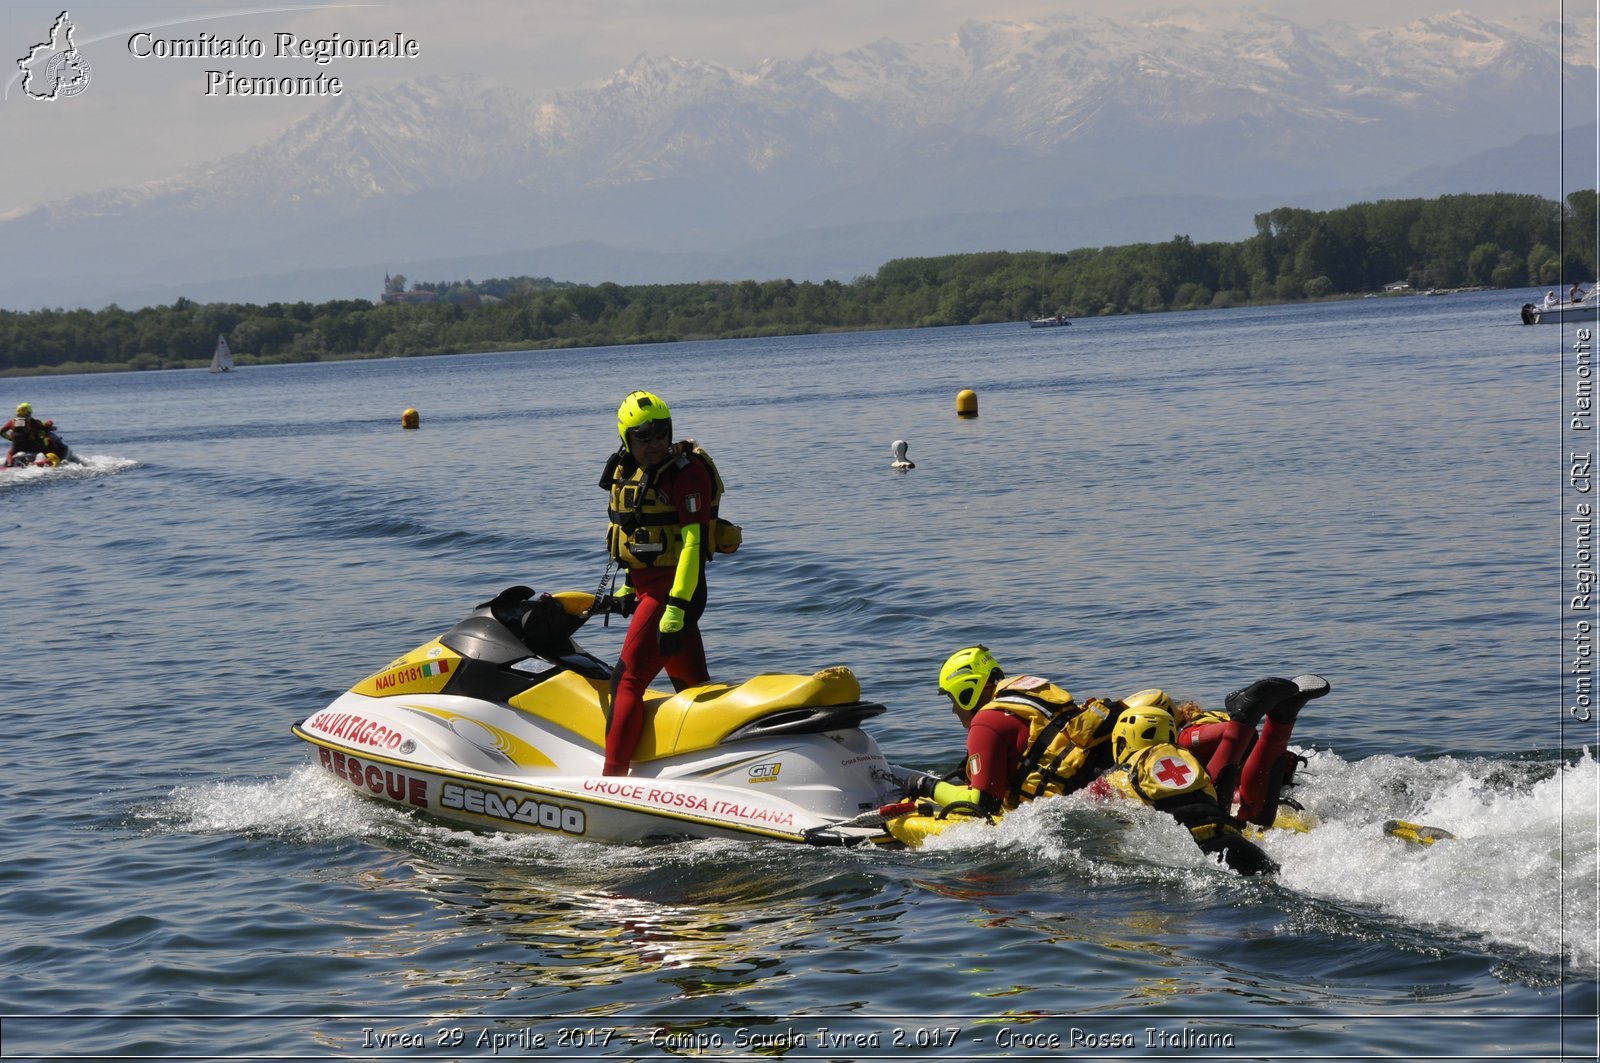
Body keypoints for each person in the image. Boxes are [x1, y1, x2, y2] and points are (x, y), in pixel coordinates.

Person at [597, 390, 729, 776]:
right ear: (627, 439)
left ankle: (612, 779)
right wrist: (626, 587)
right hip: (650, 591)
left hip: (675, 592)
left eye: (660, 434)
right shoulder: (627, 470)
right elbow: (634, 535)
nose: (655, 444)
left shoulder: (687, 472)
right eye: (644, 436)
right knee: (693, 688)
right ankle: (710, 769)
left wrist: (675, 608)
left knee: (626, 681)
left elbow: (692, 543)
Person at [894, 646, 1125, 815]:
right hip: (1108, 780)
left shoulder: (985, 723)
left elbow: (982, 804)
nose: (954, 710)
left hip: (1081, 805)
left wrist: (925, 785)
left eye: (953, 699)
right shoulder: (1028, 697)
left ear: (968, 692)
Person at [1091, 700, 1278, 876]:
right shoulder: (1190, 760)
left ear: (1123, 740)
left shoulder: (1116, 778)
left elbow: (1083, 807)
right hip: (1234, 841)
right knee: (1275, 876)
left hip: (1195, 852)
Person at [1169, 674, 1329, 826]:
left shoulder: (1180, 734)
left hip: (1207, 736)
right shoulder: (1212, 717)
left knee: (1213, 806)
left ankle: (1244, 715)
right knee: (1257, 815)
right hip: (1240, 740)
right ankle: (1284, 715)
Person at [2, 402, 52, 467]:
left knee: (10, 453)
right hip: (31, 446)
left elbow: (2, 432)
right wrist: (49, 424)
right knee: (47, 450)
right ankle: (42, 462)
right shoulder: (30, 420)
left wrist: (11, 439)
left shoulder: (12, 421)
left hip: (17, 447)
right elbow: (43, 428)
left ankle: (9, 464)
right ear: (28, 412)